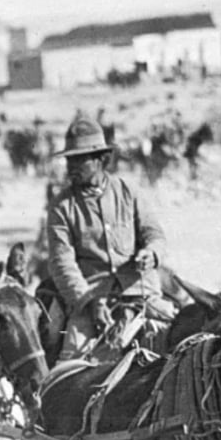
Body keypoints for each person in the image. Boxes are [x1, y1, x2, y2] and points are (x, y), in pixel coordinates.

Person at [42, 113, 167, 351]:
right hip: (92, 303)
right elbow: (61, 263)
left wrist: (151, 254)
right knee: (72, 363)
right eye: (70, 161)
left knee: (185, 343)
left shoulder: (129, 191)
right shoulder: (62, 206)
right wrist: (88, 302)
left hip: (142, 294)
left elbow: (155, 235)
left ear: (102, 159)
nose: (72, 167)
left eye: (80, 160)